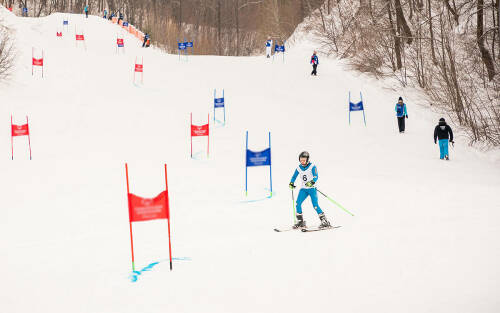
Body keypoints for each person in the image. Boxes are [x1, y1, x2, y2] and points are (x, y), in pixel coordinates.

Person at [289, 151, 331, 229]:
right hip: (303, 189)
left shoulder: (312, 166)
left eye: (304, 160)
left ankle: (324, 221)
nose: (302, 161)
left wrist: (312, 182)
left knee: (315, 205)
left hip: (312, 189)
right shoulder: (299, 168)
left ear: (307, 159)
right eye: (301, 160)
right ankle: (300, 222)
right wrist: (291, 183)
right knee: (298, 203)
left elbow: (316, 176)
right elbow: (294, 176)